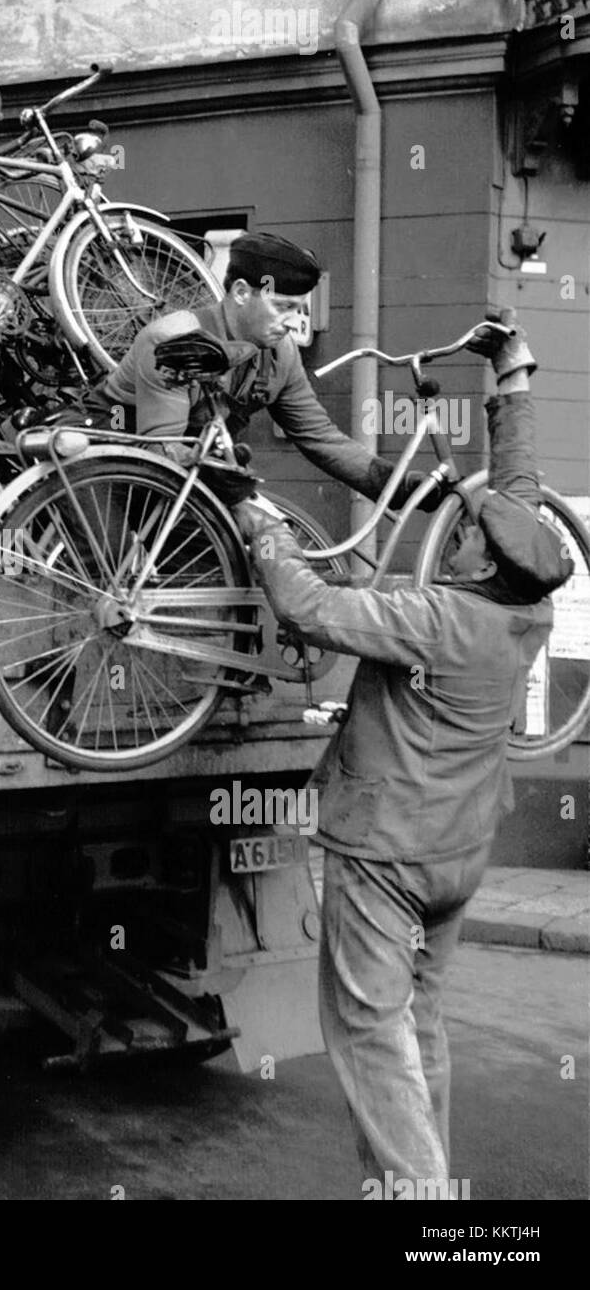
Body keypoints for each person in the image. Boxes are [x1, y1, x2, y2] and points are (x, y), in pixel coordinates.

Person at [228, 309, 572, 1192]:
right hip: (456, 856)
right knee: (417, 1024)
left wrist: (257, 523)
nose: (453, 531)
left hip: (386, 853)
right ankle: (422, 1191)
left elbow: (310, 613)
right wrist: (513, 377)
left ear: (481, 558)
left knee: (369, 1033)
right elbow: (521, 489)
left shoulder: (441, 619)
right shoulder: (524, 604)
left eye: (463, 531)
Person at [89, 231, 442, 512]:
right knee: (107, 562)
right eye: (282, 307)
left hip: (182, 467)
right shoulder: (174, 340)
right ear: (241, 293)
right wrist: (218, 469)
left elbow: (320, 438)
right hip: (111, 444)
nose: (291, 322)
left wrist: (398, 485)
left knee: (227, 565)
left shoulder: (280, 355)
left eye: (298, 310)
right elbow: (160, 453)